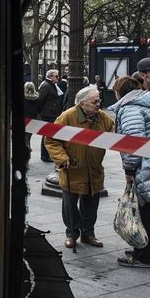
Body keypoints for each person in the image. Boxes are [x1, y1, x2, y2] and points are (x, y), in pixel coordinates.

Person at [108, 75, 150, 268]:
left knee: (145, 210)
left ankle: (143, 256)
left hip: (149, 165)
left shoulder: (130, 109)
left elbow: (133, 143)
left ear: (119, 92)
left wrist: (129, 169)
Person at [44, 85, 115, 249]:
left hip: (94, 169)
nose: (98, 104)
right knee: (70, 205)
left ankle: (88, 234)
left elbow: (113, 131)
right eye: (94, 101)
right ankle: (71, 234)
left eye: (99, 100)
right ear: (82, 103)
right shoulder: (67, 117)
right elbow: (51, 139)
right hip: (72, 169)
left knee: (91, 204)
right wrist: (62, 158)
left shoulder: (102, 117)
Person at [35, 70, 65, 162]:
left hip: (51, 114)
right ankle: (45, 155)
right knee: (47, 135)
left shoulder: (51, 85)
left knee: (49, 135)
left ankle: (46, 155)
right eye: (56, 76)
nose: (58, 78)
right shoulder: (46, 86)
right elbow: (40, 100)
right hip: (48, 115)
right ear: (51, 76)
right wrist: (41, 113)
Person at [23, 81, 40, 158]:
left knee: (24, 137)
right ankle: (28, 149)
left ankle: (26, 150)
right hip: (33, 119)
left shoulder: (23, 97)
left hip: (24, 119)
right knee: (28, 137)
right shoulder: (37, 97)